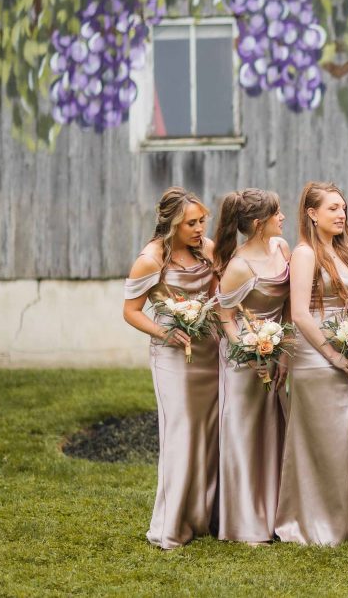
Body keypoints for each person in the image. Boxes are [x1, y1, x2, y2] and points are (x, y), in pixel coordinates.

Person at [122, 187, 219, 549]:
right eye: (191, 223)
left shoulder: (206, 250)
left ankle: (201, 516)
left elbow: (219, 294)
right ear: (173, 224)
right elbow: (130, 311)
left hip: (209, 353)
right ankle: (170, 525)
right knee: (181, 434)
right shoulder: (151, 259)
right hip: (173, 358)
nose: (199, 228)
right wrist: (166, 331)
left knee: (208, 434)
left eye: (202, 221)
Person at [275, 182, 348, 546]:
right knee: (317, 441)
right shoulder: (304, 254)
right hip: (316, 357)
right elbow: (299, 313)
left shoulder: (346, 253)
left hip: (346, 349)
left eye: (343, 208)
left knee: (343, 441)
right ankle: (308, 522)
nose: (341, 214)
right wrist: (333, 354)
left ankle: (341, 519)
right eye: (332, 208)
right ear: (312, 213)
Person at [213, 188, 290, 543]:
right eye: (277, 214)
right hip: (244, 360)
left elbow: (288, 304)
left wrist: (281, 352)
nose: (283, 218)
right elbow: (224, 316)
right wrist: (248, 348)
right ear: (259, 224)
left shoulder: (281, 248)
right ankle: (243, 522)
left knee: (272, 430)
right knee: (244, 434)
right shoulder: (239, 266)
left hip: (275, 351)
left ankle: (272, 512)